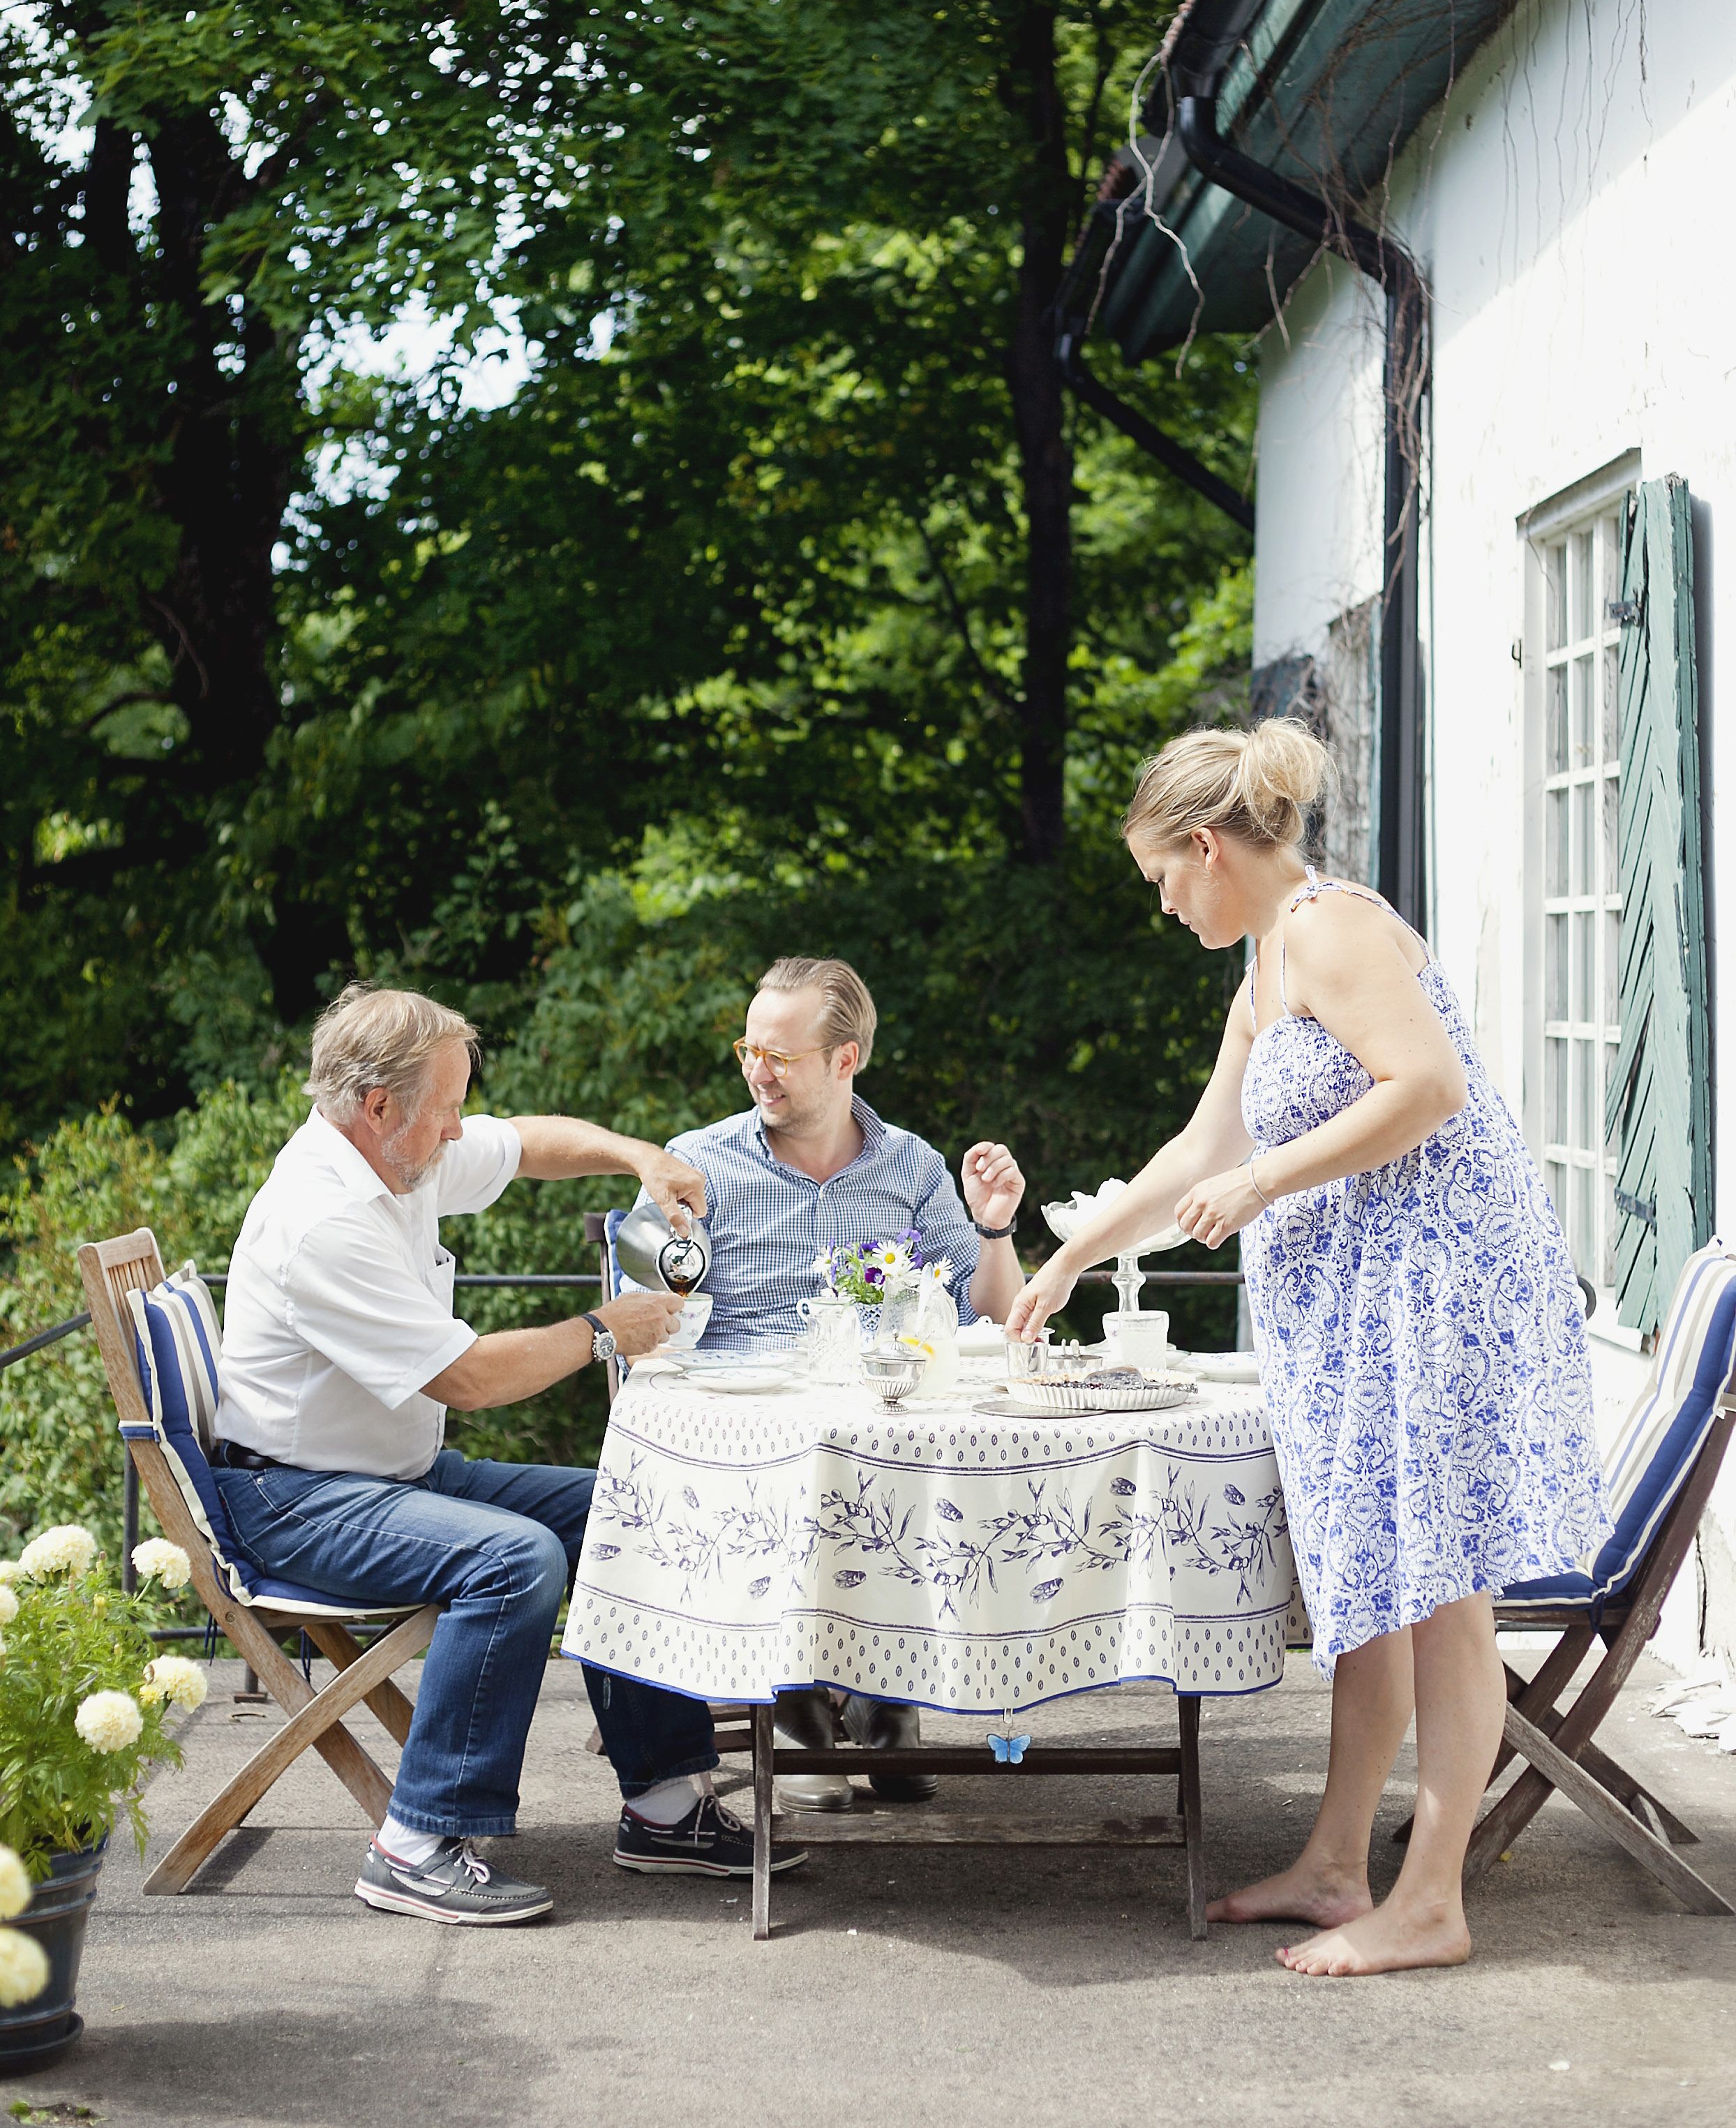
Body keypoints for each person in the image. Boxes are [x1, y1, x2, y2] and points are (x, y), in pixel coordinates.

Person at [1005, 720, 1609, 1977]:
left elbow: (1426, 1085)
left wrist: (1270, 1180)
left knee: (1442, 1598)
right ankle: (1337, 1863)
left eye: (1160, 877)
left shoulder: (1333, 927)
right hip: (1363, 1314)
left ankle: (1430, 1898)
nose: (1162, 904)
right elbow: (1196, 1152)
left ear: (1207, 847)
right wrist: (1069, 1256)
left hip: (1440, 1297)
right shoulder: (1264, 968)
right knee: (1368, 1594)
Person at [214, 983, 807, 1926]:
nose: (460, 1129)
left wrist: (636, 1157)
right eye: (448, 1107)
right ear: (379, 1108)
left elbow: (524, 1142)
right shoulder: (325, 1219)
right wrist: (604, 1329)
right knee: (513, 1559)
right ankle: (415, 1843)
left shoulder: (397, 1158)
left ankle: (660, 1807)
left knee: (629, 1503)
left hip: (382, 1474)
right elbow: (471, 1381)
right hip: (296, 1499)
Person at [626, 955, 1027, 1808]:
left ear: (846, 1059)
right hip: (748, 1431)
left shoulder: (913, 1168)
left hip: (885, 1419)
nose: (754, 1070)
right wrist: (673, 1275)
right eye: (748, 1048)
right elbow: (633, 1324)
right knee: (807, 1464)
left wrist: (994, 1229)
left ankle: (889, 1699)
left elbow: (991, 1321)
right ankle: (796, 1702)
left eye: (779, 1054)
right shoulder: (693, 1163)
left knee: (937, 1468)